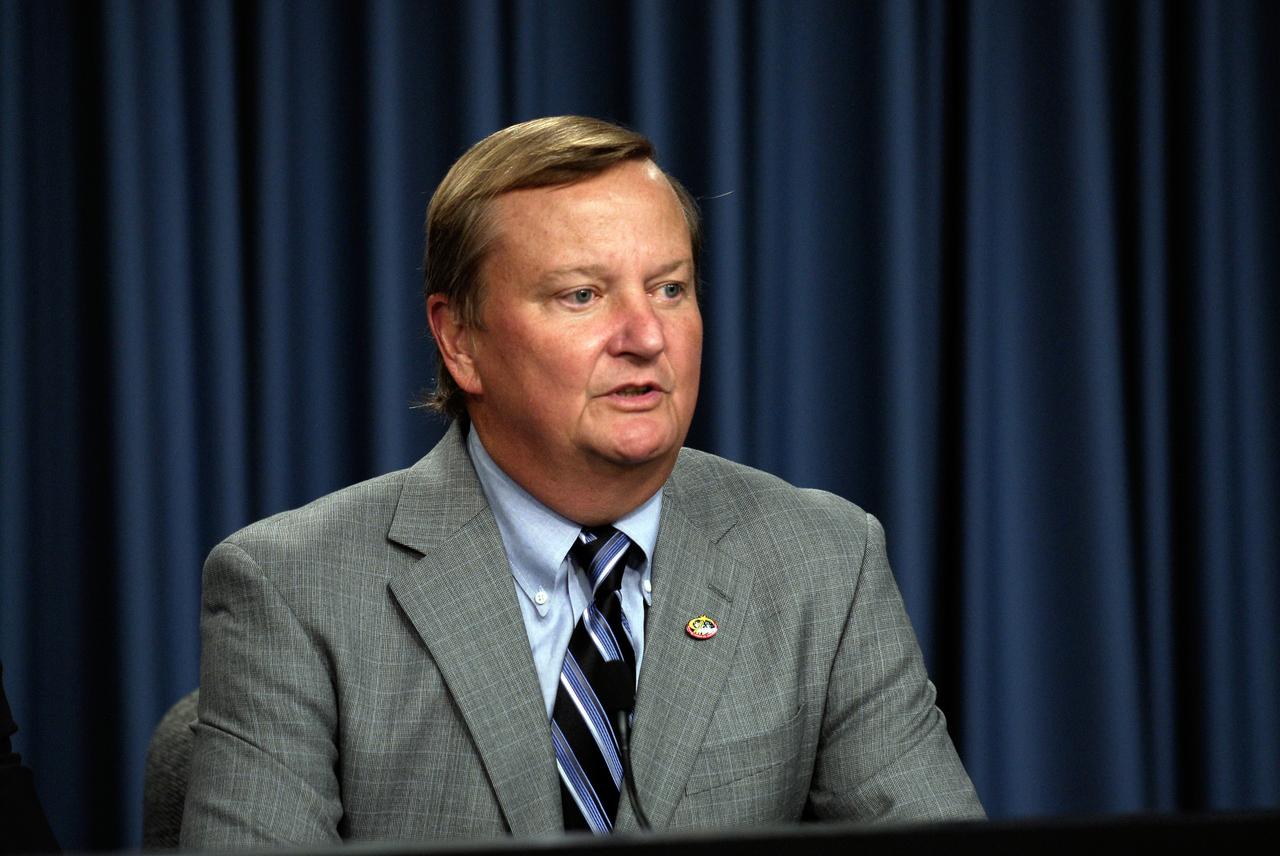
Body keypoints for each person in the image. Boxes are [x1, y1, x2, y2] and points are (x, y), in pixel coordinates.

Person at [180, 116, 983, 848]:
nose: (644, 336)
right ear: (459, 339)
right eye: (582, 296)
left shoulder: (822, 558)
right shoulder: (294, 587)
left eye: (670, 288)